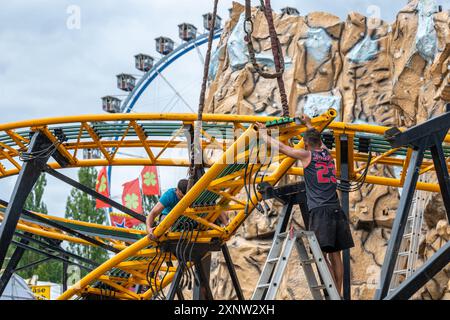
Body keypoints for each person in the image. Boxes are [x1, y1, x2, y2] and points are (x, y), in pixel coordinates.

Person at [256, 114, 354, 296]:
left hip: (320, 211)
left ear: (307, 144)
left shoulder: (306, 155)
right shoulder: (327, 154)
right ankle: (338, 294)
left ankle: (332, 296)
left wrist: (264, 135)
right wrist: (308, 124)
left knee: (322, 255)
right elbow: (318, 139)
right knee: (336, 255)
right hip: (336, 209)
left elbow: (283, 148)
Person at [146, 179, 230, 241]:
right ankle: (160, 238)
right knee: (165, 220)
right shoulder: (169, 195)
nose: (183, 200)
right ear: (177, 190)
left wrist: (227, 224)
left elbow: (214, 205)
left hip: (188, 218)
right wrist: (149, 228)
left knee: (210, 207)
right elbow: (153, 213)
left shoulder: (194, 194)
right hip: (170, 218)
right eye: (181, 197)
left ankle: (223, 227)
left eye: (186, 198)